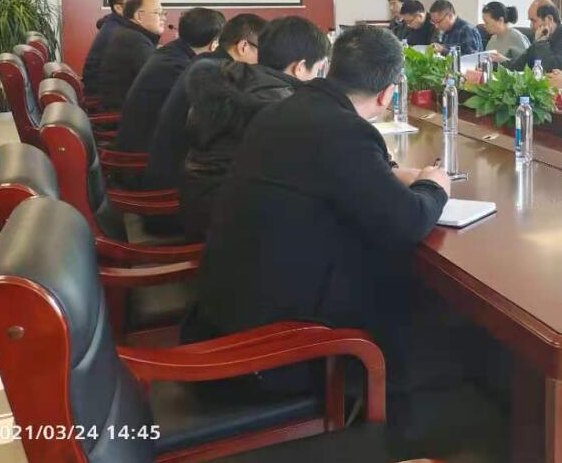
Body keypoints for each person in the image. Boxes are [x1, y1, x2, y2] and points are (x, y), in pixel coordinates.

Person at [182, 25, 450, 404]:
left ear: (329, 68)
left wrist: (387, 175)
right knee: (411, 298)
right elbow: (407, 222)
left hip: (222, 317)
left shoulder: (284, 109)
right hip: (268, 353)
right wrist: (434, 186)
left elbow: (326, 174)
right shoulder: (344, 130)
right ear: (388, 94)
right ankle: (397, 413)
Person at [179, 16, 330, 240]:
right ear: (299, 68)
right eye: (318, 69)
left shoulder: (237, 78)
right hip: (226, 225)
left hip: (202, 203)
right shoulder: (279, 104)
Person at [142, 13, 268, 194]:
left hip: (169, 169)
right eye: (263, 52)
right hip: (175, 185)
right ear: (243, 46)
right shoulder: (219, 74)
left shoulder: (206, 62)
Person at [115, 7, 225, 157]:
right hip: (144, 152)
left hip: (138, 139)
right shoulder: (182, 68)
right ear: (214, 44)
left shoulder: (171, 52)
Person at [97, 0, 167, 111]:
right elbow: (159, 81)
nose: (163, 18)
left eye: (164, 13)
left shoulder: (129, 34)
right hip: (126, 114)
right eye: (158, 13)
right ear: (139, 16)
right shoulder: (135, 41)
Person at [82, 0, 137, 95]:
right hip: (103, 92)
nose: (139, 8)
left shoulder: (115, 23)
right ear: (118, 8)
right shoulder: (119, 33)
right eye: (134, 4)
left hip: (103, 85)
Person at [502, 1, 562, 73]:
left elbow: (551, 72)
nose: (531, 26)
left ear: (549, 19)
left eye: (533, 21)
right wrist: (499, 63)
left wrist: (541, 43)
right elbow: (517, 66)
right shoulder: (542, 36)